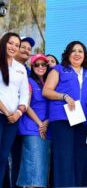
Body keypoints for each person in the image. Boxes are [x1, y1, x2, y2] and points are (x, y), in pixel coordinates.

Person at [43, 41, 87, 187]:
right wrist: (64, 96)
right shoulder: (58, 69)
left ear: (85, 55)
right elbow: (46, 91)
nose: (77, 54)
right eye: (73, 51)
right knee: (64, 159)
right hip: (62, 119)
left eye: (80, 51)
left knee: (79, 160)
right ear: (68, 54)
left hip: (81, 121)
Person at [16, 54, 50, 188]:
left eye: (43, 64)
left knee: (41, 170)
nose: (40, 67)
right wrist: (40, 123)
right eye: (37, 64)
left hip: (46, 129)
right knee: (33, 169)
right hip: (33, 128)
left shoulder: (48, 83)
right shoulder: (28, 81)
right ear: (32, 66)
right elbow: (26, 104)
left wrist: (47, 122)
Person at [0, 32, 29, 185]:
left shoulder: (21, 68)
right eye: (10, 43)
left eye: (16, 45)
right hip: (1, 115)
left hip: (13, 119)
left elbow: (25, 94)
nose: (13, 47)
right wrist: (6, 112)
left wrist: (18, 112)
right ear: (4, 42)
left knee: (4, 156)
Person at [11, 36, 35, 188]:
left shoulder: (29, 72)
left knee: (19, 158)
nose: (26, 50)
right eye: (23, 46)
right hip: (7, 118)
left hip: (23, 124)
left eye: (29, 48)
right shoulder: (5, 65)